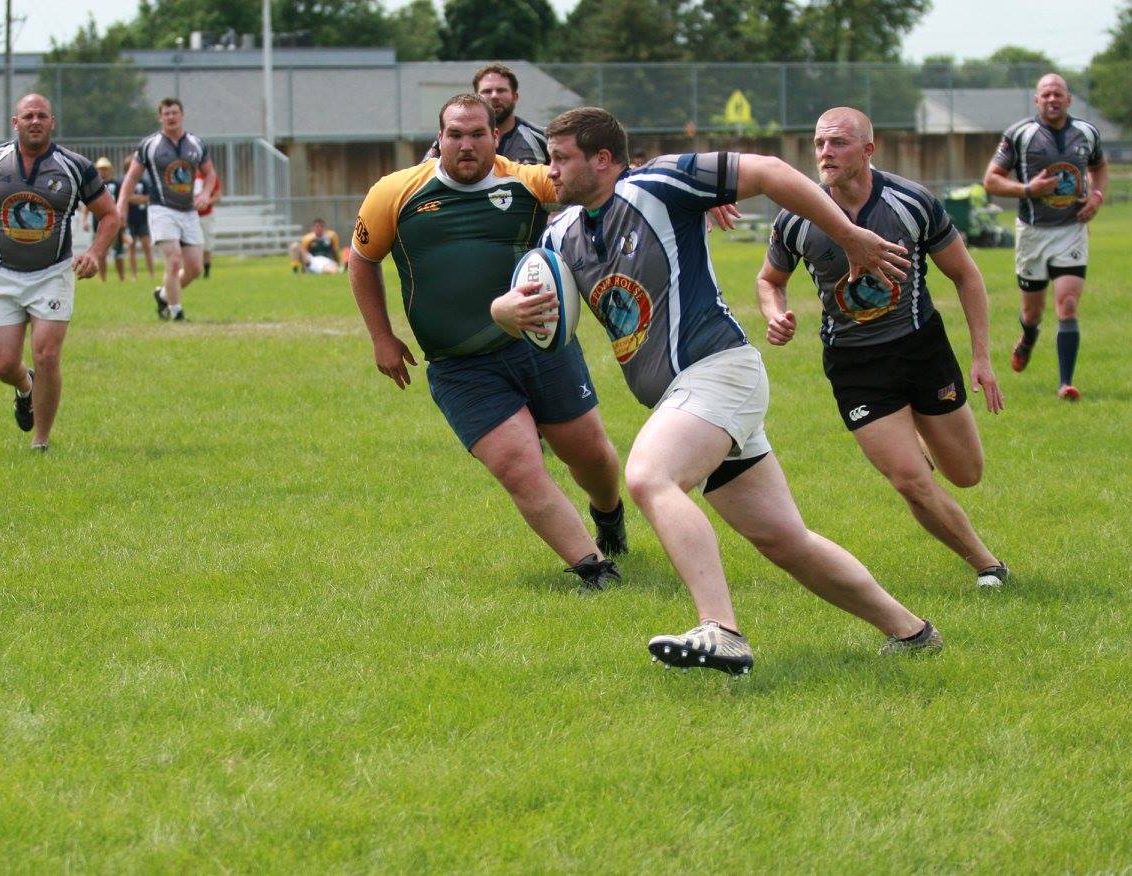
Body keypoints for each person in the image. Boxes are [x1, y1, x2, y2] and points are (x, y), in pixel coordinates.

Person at [491, 107, 941, 675]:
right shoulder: (560, 234)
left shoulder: (659, 184)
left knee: (650, 476)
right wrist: (503, 309)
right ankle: (913, 632)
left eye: (561, 159)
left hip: (718, 370)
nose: (549, 170)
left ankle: (720, 630)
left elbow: (772, 171)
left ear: (603, 160)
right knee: (785, 540)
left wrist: (849, 237)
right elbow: (538, 316)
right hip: (689, 396)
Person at [350, 94, 627, 592]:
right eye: (455, 134)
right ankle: (593, 567)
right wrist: (381, 336)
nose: (467, 144)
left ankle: (609, 517)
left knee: (589, 454)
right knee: (519, 466)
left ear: (496, 136)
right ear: (440, 139)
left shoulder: (527, 180)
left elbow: (598, 179)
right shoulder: (396, 192)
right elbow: (361, 259)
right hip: (460, 367)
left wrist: (681, 192)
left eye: (478, 133)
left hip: (541, 345)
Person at [756, 107, 1009, 592]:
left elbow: (966, 275)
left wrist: (981, 358)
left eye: (838, 144)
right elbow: (770, 280)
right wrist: (775, 313)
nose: (824, 154)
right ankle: (987, 564)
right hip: (855, 363)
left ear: (868, 150)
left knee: (966, 473)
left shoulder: (911, 202)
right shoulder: (797, 217)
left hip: (921, 349)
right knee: (910, 480)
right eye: (819, 144)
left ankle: (913, 430)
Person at [0, 93, 118, 451]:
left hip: (53, 273)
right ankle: (25, 387)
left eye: (42, 116)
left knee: (47, 354)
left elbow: (110, 215)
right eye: (28, 116)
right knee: (4, 365)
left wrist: (96, 253)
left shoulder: (75, 166)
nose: (35, 121)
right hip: (4, 273)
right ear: (15, 122)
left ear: (52, 122)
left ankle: (41, 441)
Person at [983, 73, 1107, 401]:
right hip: (1033, 235)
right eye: (1046, 95)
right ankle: (1028, 338)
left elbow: (1100, 167)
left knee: (1067, 305)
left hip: (1071, 231)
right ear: (1037, 101)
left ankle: (1065, 383)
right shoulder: (1020, 135)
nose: (1052, 99)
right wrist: (1028, 189)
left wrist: (1096, 197)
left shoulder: (1087, 133)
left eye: (1058, 94)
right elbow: (991, 181)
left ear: (1068, 99)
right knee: (1032, 314)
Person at [117, 98, 218, 321]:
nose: (171, 117)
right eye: (166, 113)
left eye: (174, 113)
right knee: (173, 260)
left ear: (182, 115)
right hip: (161, 209)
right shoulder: (149, 145)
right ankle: (176, 313)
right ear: (160, 117)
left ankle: (163, 295)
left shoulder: (196, 144)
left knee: (195, 268)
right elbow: (131, 177)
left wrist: (205, 194)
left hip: (189, 211)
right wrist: (121, 204)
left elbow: (210, 174)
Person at [424, 64, 549, 166]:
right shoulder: (448, 142)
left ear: (515, 97)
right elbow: (421, 178)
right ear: (476, 97)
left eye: (501, 90)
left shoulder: (542, 138)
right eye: (487, 91)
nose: (494, 96)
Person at [81, 156, 125, 282]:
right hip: (98, 223)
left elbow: (122, 201)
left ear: (110, 170)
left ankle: (122, 278)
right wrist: (84, 220)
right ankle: (103, 279)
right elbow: (87, 205)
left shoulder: (117, 184)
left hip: (115, 223)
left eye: (105, 169)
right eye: (100, 169)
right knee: (101, 253)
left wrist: (122, 216)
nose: (103, 172)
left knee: (119, 252)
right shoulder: (95, 185)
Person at [122, 155, 154, 282]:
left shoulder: (144, 182)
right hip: (130, 219)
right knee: (132, 247)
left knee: (147, 245)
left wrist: (133, 198)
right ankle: (134, 275)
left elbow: (149, 198)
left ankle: (151, 274)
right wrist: (137, 199)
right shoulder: (123, 182)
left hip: (143, 219)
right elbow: (125, 197)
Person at [194, 163, 221, 278]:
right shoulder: (188, 176)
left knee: (207, 244)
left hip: (206, 215)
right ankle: (194, 270)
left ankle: (206, 271)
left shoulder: (210, 177)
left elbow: (217, 195)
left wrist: (206, 202)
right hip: (190, 216)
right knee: (193, 245)